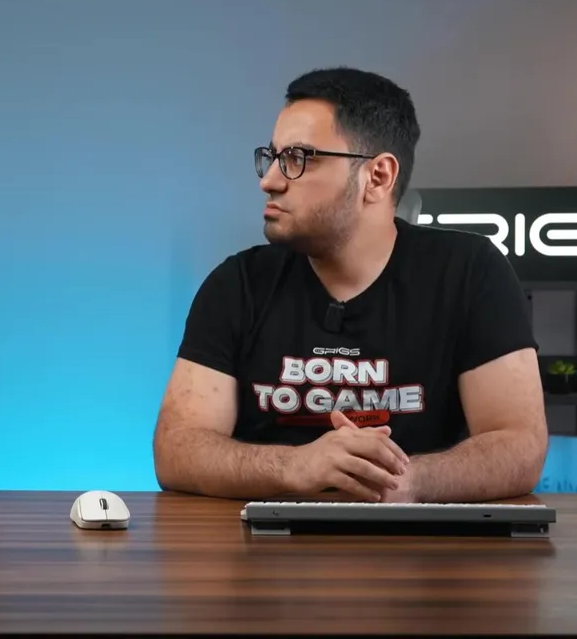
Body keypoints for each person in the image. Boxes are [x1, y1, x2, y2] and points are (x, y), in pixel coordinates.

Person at [152, 67, 548, 503]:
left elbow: (520, 446)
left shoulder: (471, 272)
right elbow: (177, 448)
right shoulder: (237, 284)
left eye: (300, 158)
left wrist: (405, 481)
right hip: (264, 542)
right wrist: (295, 467)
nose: (270, 180)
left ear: (377, 177)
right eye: (274, 156)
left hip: (424, 541)